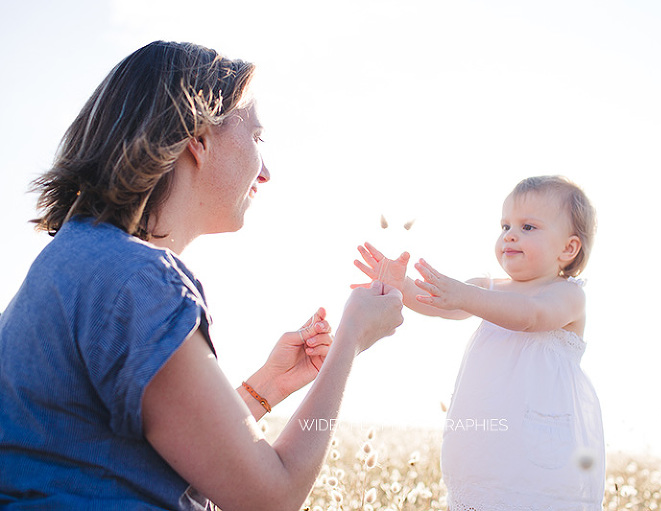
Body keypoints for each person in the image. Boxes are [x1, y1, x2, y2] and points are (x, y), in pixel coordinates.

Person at [0, 40, 404, 510]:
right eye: (256, 137)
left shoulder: (82, 261)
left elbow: (120, 459)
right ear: (199, 138)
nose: (266, 172)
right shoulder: (138, 282)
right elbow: (271, 498)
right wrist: (351, 338)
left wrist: (266, 387)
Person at [354, 175, 605, 510]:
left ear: (568, 248)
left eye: (528, 227)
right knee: (484, 491)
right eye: (505, 226)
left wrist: (466, 295)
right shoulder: (487, 288)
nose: (510, 235)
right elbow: (441, 304)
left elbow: (531, 316)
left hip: (540, 445)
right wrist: (404, 286)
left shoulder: (567, 295)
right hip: (488, 438)